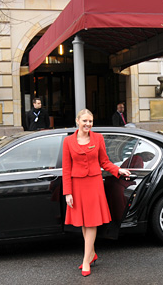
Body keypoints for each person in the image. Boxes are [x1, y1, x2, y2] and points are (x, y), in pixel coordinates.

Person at [62, 109, 131, 277]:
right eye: (85, 121)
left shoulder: (98, 138)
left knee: (91, 222)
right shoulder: (68, 141)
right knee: (84, 223)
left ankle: (86, 260)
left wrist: (118, 170)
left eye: (90, 121)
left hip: (94, 184)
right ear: (77, 121)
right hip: (77, 185)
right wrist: (67, 192)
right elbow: (66, 168)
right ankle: (92, 254)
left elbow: (104, 161)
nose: (88, 124)